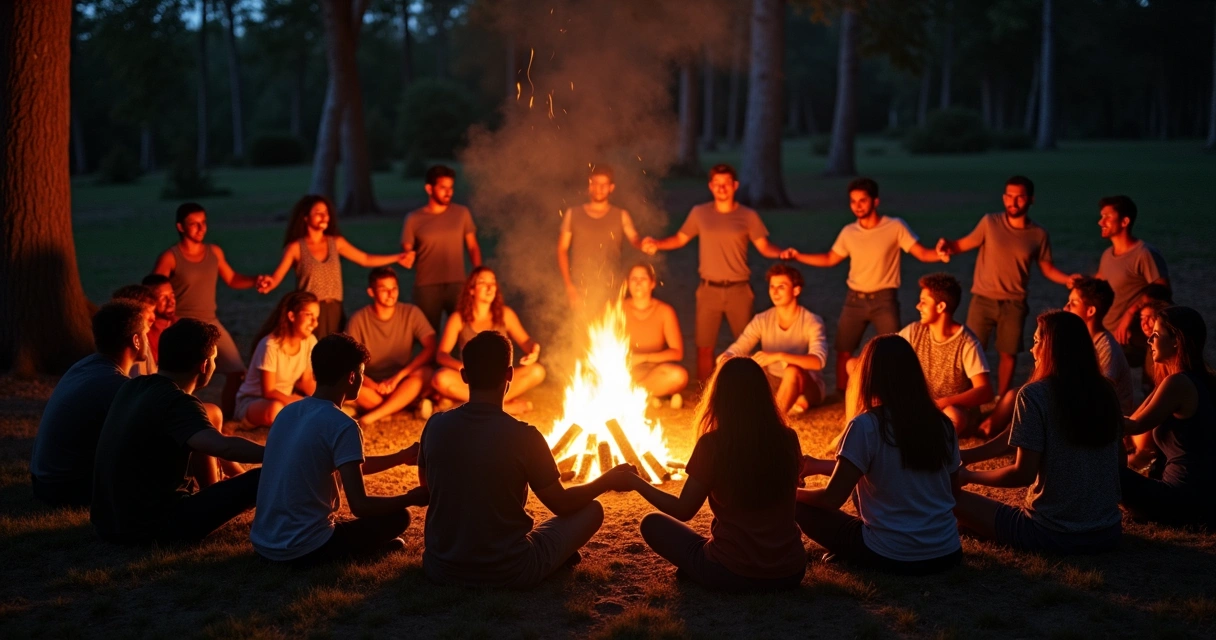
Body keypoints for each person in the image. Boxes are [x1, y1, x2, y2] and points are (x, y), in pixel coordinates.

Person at [418, 330, 638, 588]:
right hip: (510, 570)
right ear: (510, 374)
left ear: (464, 375)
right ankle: (551, 556)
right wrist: (607, 480)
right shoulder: (526, 436)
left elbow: (428, 490)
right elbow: (562, 505)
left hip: (441, 567)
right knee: (592, 510)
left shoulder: (435, 425)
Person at [621, 357, 805, 591]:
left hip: (732, 571)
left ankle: (704, 567)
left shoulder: (713, 445)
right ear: (764, 395)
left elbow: (683, 510)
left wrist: (636, 483)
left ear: (720, 398)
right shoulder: (788, 438)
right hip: (790, 572)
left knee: (653, 524)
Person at [953, 311, 1123, 555]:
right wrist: (967, 456)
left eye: (1035, 341)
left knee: (947, 496)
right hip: (1107, 533)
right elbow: (1120, 462)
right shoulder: (1105, 391)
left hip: (1050, 534)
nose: (1032, 350)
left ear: (1052, 347)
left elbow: (1022, 474)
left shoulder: (1034, 394)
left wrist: (968, 477)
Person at [251, 334, 428, 566]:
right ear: (352, 377)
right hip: (305, 548)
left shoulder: (288, 412)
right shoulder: (342, 425)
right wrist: (410, 498)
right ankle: (361, 550)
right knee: (399, 517)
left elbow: (346, 463)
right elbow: (360, 506)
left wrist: (399, 457)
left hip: (264, 543)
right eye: (363, 374)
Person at [797, 335, 962, 574]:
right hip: (946, 551)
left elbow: (832, 499)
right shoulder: (942, 424)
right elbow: (952, 491)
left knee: (797, 507)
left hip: (889, 554)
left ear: (869, 376)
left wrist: (791, 493)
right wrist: (818, 465)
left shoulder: (866, 425)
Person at [91, 319, 265, 545]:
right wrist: (277, 452)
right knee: (262, 477)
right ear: (204, 365)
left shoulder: (133, 386)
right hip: (154, 528)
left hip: (107, 524)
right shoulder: (178, 402)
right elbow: (224, 446)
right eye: (214, 359)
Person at [785, 178, 944, 394]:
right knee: (843, 350)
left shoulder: (894, 226)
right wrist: (798, 256)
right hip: (855, 300)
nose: (857, 206)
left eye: (862, 200)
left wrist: (941, 253)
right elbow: (830, 258)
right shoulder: (849, 232)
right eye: (853, 201)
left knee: (892, 350)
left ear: (875, 201)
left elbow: (922, 253)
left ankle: (893, 394)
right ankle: (843, 394)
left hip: (884, 299)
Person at [640, 164, 788, 382]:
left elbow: (764, 247)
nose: (722, 188)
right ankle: (705, 391)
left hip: (739, 288)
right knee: (704, 347)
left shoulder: (748, 216)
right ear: (711, 186)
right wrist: (657, 244)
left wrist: (783, 253)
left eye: (726, 184)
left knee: (745, 345)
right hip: (709, 289)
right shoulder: (700, 213)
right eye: (717, 184)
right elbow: (680, 238)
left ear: (735, 186)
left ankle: (745, 388)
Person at [936, 176, 1081, 396]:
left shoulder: (1038, 234)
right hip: (983, 299)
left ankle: (1000, 400)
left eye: (1020, 197)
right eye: (1009, 196)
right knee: (970, 350)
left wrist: (1068, 279)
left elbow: (1047, 268)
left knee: (1008, 353)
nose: (1013, 202)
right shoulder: (990, 223)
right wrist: (947, 245)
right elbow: (962, 244)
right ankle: (964, 397)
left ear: (1031, 199)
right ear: (1004, 198)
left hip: (1014, 302)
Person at [152, 202, 268, 417]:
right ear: (180, 227)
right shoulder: (170, 257)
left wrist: (255, 280)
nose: (201, 228)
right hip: (182, 324)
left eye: (203, 222)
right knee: (187, 375)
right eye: (194, 224)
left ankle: (230, 416)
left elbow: (232, 278)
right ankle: (183, 415)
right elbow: (153, 289)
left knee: (236, 371)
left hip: (210, 322)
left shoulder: (213, 252)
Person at [29, 301, 149, 507]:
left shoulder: (85, 366)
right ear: (136, 340)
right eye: (146, 333)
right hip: (66, 488)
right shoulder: (114, 384)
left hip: (43, 481)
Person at [259, 195, 409, 339]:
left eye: (326, 213)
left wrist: (398, 257)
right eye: (318, 213)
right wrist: (269, 283)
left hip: (335, 309)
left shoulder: (335, 242)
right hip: (310, 311)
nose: (324, 217)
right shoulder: (296, 248)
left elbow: (364, 259)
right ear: (305, 217)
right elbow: (277, 276)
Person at [1120, 306, 1216, 527]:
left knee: (1105, 470)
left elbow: (1134, 426)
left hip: (1180, 499)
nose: (1149, 341)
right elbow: (1134, 419)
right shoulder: (1199, 379)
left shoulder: (1178, 383)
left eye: (1156, 334)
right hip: (1204, 499)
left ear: (1176, 340)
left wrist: (1088, 414)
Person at [432, 267, 545, 415]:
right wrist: (461, 366)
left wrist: (533, 349)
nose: (490, 286)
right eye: (482, 282)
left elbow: (526, 341)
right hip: (473, 382)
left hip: (502, 381)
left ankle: (465, 406)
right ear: (471, 290)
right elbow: (441, 354)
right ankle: (502, 407)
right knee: (440, 378)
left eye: (493, 282)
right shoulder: (458, 319)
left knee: (537, 371)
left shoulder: (505, 314)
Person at [719, 264, 828, 415]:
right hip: (774, 381)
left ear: (796, 290)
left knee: (792, 370)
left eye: (781, 287)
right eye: (772, 287)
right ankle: (730, 412)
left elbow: (818, 361)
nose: (775, 292)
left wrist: (779, 356)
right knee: (749, 364)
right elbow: (740, 346)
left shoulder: (811, 321)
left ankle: (775, 419)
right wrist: (726, 357)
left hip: (807, 385)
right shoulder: (762, 319)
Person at [896, 273, 992, 434]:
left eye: (924, 302)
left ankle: (928, 438)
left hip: (952, 410)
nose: (918, 306)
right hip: (920, 407)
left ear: (941, 307)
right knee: (857, 368)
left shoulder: (966, 342)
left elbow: (984, 390)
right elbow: (884, 355)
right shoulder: (914, 331)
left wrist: (942, 402)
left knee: (954, 415)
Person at [345, 267, 437, 425]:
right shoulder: (359, 319)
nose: (391, 293)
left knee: (425, 374)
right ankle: (402, 406)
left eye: (394, 288)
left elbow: (431, 346)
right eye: (384, 289)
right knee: (346, 382)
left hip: (401, 381)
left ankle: (370, 416)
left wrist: (398, 377)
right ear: (371, 292)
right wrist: (371, 384)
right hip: (370, 383)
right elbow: (347, 360)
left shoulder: (410, 313)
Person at [401, 165, 484, 332]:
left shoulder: (461, 213)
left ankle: (460, 359)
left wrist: (478, 273)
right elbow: (407, 250)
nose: (449, 192)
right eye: (443, 188)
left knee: (464, 331)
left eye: (451, 187)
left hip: (457, 284)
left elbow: (473, 246)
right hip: (427, 285)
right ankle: (432, 359)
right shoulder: (414, 219)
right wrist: (407, 256)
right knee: (428, 333)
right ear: (429, 188)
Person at [557, 165, 645, 317]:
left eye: (604, 185)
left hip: (610, 286)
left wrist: (645, 244)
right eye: (595, 184)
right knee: (580, 334)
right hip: (580, 286)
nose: (599, 188)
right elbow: (562, 250)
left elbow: (634, 239)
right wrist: (569, 286)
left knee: (607, 330)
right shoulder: (573, 214)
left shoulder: (621, 215)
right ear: (589, 186)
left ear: (611, 188)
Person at [1096, 195, 1169, 366]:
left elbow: (1162, 289)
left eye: (1107, 217)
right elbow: (1097, 286)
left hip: (1130, 338)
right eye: (1101, 217)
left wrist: (1130, 313)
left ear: (1124, 221)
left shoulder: (1144, 253)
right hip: (1107, 334)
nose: (1101, 222)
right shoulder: (1107, 254)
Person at [233, 291, 320, 428]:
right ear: (291, 316)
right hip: (255, 401)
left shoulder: (310, 342)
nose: (314, 323)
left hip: (286, 399)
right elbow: (268, 391)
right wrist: (297, 402)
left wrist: (324, 400)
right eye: (309, 315)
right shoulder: (271, 345)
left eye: (316, 317)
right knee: (276, 409)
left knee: (318, 408)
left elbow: (306, 381)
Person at [622, 264, 688, 406]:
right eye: (634, 279)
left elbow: (677, 353)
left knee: (678, 376)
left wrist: (644, 358)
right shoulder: (617, 309)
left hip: (654, 371)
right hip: (626, 370)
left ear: (652, 283)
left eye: (643, 278)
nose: (638, 283)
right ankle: (651, 396)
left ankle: (633, 395)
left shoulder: (664, 311)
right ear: (627, 283)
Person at [111, 284, 159, 376]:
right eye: (148, 311)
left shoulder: (144, 340)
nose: (153, 318)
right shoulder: (129, 345)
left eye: (153, 311)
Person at [140, 273, 178, 362]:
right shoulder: (143, 332)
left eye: (172, 295)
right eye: (163, 298)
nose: (171, 301)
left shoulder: (181, 327)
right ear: (148, 300)